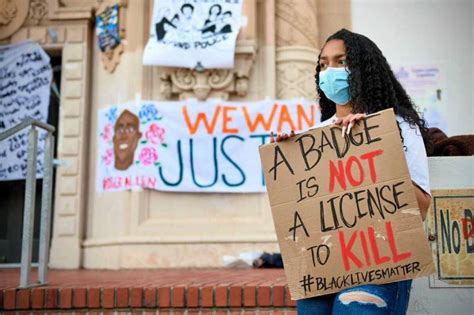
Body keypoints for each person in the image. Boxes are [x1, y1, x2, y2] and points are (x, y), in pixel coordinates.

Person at [273, 28, 432, 315]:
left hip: (381, 264)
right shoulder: (315, 137)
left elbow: (420, 207)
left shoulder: (398, 126)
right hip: (325, 266)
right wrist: (287, 160)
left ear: (363, 68)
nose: (329, 71)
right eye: (323, 65)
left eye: (341, 62)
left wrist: (375, 142)